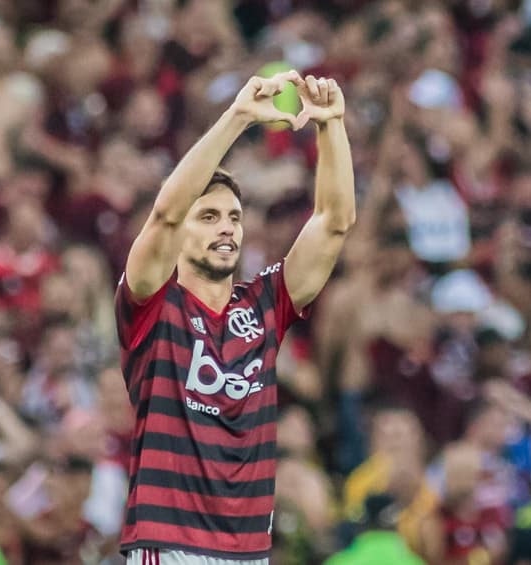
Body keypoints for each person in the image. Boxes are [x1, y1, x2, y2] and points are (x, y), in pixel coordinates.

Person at [115, 70, 355, 564]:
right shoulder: (152, 304)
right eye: (208, 217)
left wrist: (331, 126)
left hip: (248, 550)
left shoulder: (264, 305)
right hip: (170, 543)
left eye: (234, 218)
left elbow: (334, 223)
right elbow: (165, 214)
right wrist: (238, 117)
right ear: (181, 234)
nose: (226, 228)